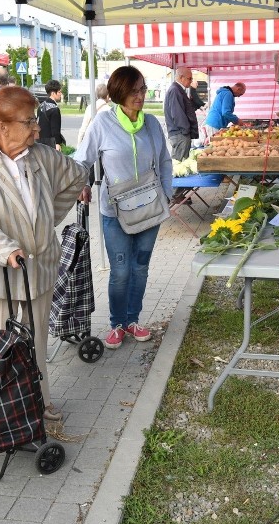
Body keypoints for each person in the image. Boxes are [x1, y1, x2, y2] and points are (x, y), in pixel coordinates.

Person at [0, 86, 88, 420]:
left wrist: (46, 219)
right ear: (2, 127)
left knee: (36, 341)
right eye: (28, 122)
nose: (37, 128)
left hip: (39, 265)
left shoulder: (41, 155)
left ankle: (38, 403)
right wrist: (6, 247)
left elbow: (77, 176)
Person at [73, 66, 173, 350]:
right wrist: (80, 183)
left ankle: (132, 320)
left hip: (150, 209)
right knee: (121, 271)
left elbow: (165, 161)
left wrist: (167, 192)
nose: (140, 95)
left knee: (140, 268)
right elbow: (82, 160)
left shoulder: (152, 123)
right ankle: (117, 323)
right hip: (114, 211)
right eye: (134, 90)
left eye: (142, 89)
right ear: (119, 93)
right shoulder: (102, 123)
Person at [164, 67, 198, 161]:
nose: (191, 81)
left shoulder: (177, 89)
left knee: (181, 163)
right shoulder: (175, 90)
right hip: (180, 134)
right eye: (189, 78)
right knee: (179, 166)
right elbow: (177, 114)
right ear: (181, 77)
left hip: (181, 134)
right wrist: (185, 130)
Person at [77, 82, 110, 146]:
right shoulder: (109, 110)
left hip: (90, 142)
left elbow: (84, 127)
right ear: (108, 96)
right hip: (104, 144)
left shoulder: (90, 107)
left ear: (96, 95)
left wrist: (79, 144)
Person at [37, 79, 66, 150]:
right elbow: (55, 129)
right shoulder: (54, 109)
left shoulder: (40, 106)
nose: (60, 94)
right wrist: (57, 143)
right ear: (53, 93)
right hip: (50, 143)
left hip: (39, 142)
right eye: (59, 92)